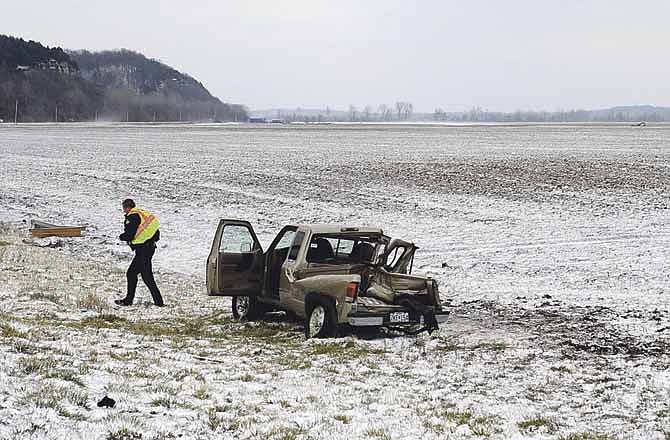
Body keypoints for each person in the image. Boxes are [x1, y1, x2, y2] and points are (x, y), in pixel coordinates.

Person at [114, 199, 164, 307]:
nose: (124, 211)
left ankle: (130, 301)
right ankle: (156, 302)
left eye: (124, 208)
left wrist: (122, 237)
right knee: (139, 275)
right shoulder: (143, 214)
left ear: (127, 207)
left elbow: (130, 234)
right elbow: (156, 232)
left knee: (139, 275)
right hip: (148, 248)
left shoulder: (132, 216)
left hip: (143, 250)